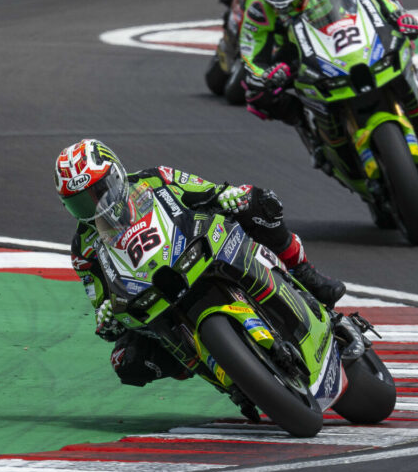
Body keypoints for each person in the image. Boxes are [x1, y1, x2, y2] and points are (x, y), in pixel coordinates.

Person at [54, 138, 346, 388]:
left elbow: (206, 190)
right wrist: (105, 317)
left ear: (116, 176)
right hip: (151, 295)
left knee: (259, 202)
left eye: (98, 192)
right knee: (126, 363)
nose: (94, 206)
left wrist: (229, 196)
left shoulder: (154, 178)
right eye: (80, 202)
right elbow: (101, 301)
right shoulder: (82, 250)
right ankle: (213, 366)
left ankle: (304, 272)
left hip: (194, 248)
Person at [237, 0, 418, 141]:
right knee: (256, 95)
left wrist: (399, 15)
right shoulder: (259, 5)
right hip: (293, 51)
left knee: (400, 39)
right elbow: (250, 52)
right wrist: (264, 74)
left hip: (340, 26)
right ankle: (308, 125)